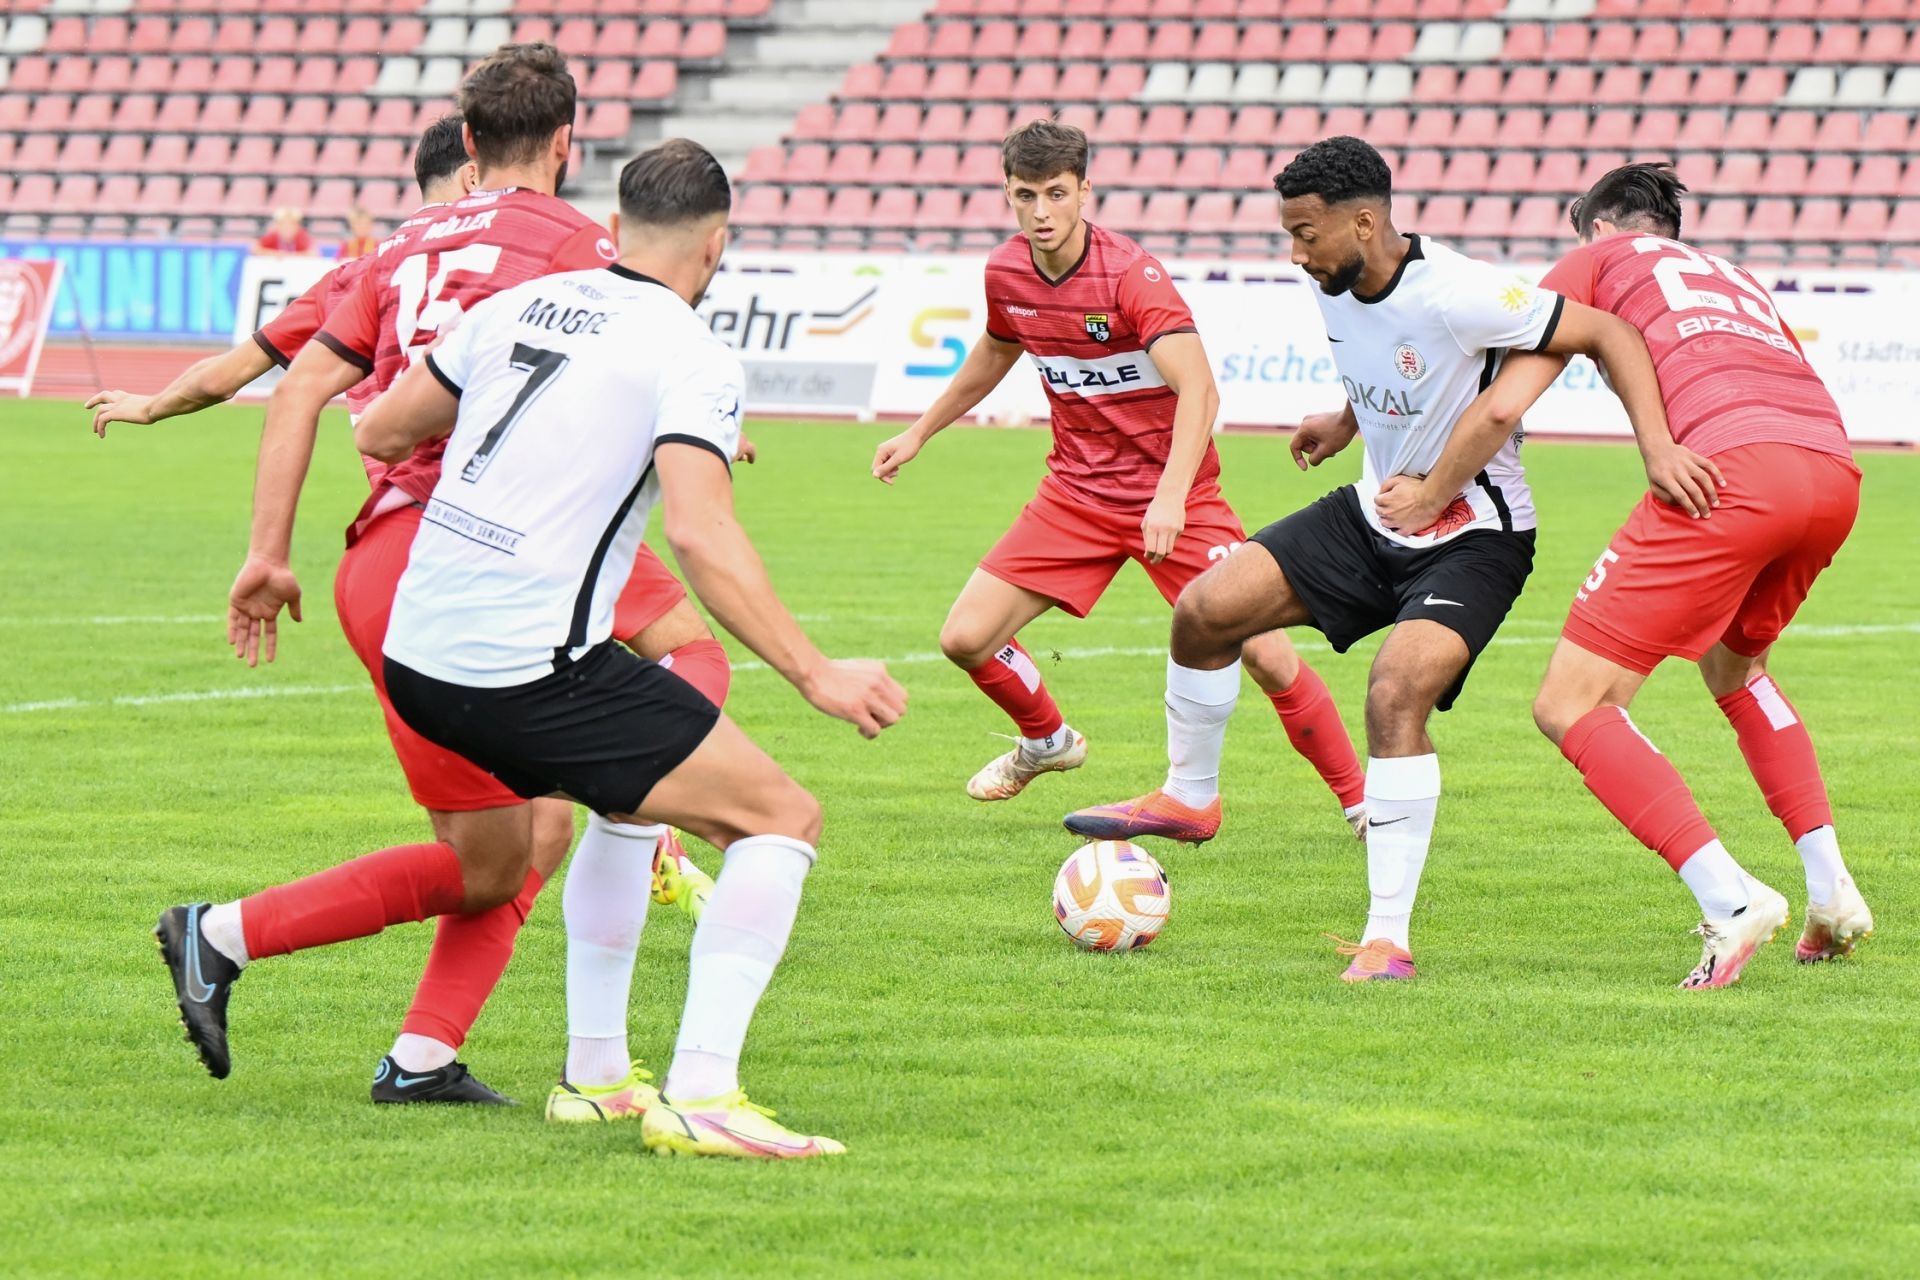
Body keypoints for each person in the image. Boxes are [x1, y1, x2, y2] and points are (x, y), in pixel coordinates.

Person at [202, 138, 905, 1159]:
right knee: (781, 818)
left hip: (419, 650)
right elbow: (702, 531)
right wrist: (816, 671)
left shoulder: (513, 308)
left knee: (622, 802)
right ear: (716, 249)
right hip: (524, 667)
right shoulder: (694, 353)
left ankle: (598, 1078)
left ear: (614, 229)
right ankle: (706, 1095)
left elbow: (383, 431)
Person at [158, 45, 726, 1117]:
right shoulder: (583, 246)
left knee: (515, 843)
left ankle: (418, 1053)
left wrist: (268, 551)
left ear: (466, 144)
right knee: (674, 671)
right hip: (495, 537)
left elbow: (297, 390)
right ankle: (639, 823)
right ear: (568, 143)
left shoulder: (396, 248)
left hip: (389, 554)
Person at [1075, 136, 1691, 982]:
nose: (1297, 254)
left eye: (1306, 234)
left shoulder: (1464, 291)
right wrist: (1346, 420)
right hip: (1373, 516)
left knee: (1395, 694)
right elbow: (1398, 360)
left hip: (1475, 537)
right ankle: (1190, 795)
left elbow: (1611, 332)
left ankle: (1387, 939)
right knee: (1205, 610)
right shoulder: (1337, 276)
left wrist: (1656, 448)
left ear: (1364, 224)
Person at [1379, 161, 1869, 988]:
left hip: (1731, 471)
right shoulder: (1733, 276)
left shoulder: (1597, 258)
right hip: (1830, 471)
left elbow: (1503, 401)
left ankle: (1730, 899)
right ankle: (1833, 890)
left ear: (1599, 226)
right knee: (1738, 670)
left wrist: (1431, 495)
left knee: (1570, 704)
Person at [871, 121, 1366, 840]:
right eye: (1025, 195)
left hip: (1175, 498)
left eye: (1056, 193)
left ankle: (1361, 805)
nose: (1041, 211)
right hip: (1074, 496)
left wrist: (1169, 497)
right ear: (1007, 195)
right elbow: (997, 349)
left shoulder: (1131, 276)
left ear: (1084, 191)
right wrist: (919, 431)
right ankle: (1048, 741)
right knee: (966, 638)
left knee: (1265, 651)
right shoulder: (1006, 272)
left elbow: (1200, 391)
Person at [86, 117, 478, 437]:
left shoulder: (354, 276)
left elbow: (224, 375)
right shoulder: (506, 256)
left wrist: (152, 406)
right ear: (472, 177)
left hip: (401, 493)